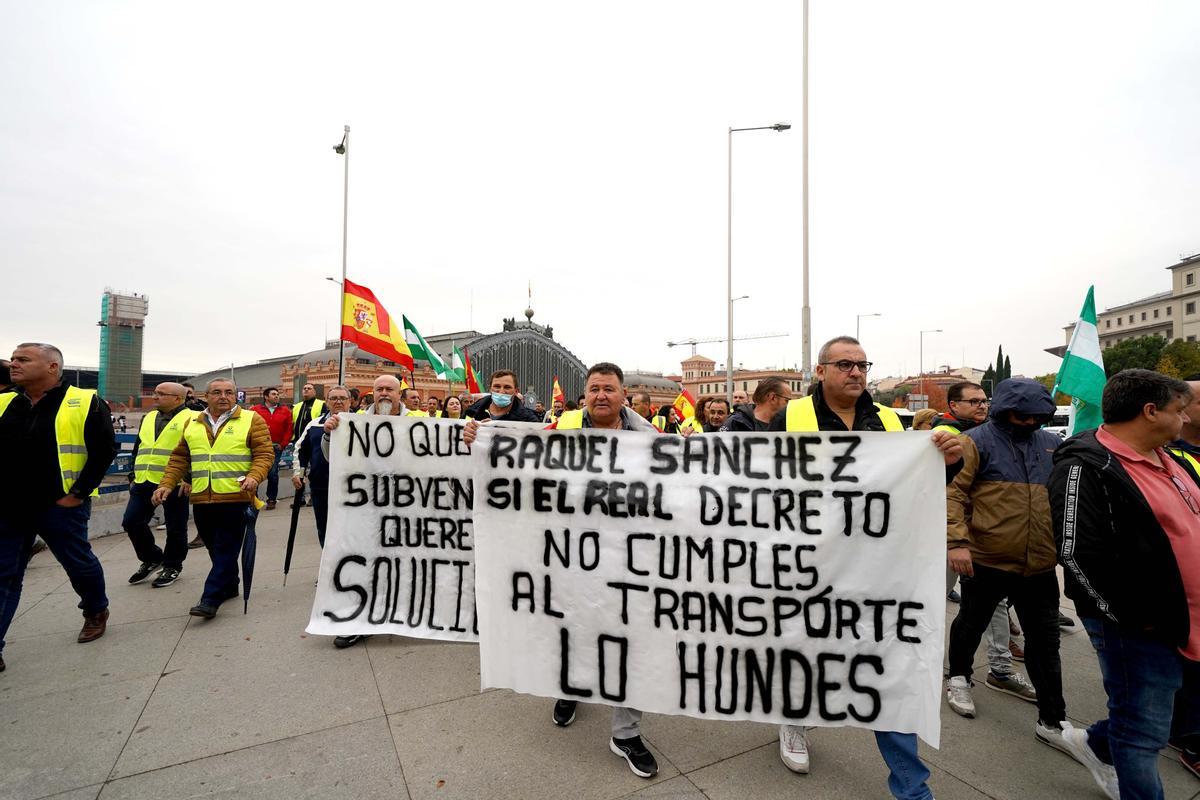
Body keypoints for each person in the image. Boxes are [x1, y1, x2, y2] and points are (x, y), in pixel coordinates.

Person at [765, 336, 964, 800]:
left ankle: (912, 789)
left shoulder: (891, 421)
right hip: (809, 564)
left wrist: (947, 463)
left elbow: (917, 486)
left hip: (878, 565)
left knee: (888, 667)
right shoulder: (789, 419)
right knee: (805, 650)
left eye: (862, 364)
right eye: (845, 364)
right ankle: (794, 719)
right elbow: (751, 483)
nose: (856, 372)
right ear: (820, 371)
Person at [463, 362, 661, 779]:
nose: (601, 395)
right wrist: (478, 442)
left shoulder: (652, 439)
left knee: (629, 640)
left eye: (609, 388)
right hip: (569, 554)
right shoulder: (561, 425)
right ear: (584, 394)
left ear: (623, 395)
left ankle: (626, 733)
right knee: (571, 629)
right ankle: (571, 688)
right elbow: (517, 462)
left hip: (630, 560)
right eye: (594, 389)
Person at [1050, 369, 1200, 800]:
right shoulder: (1084, 465)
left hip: (1183, 619)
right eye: (1179, 411)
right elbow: (1077, 554)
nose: (1185, 420)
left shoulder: (1168, 458)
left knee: (1150, 711)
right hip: (1140, 626)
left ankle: (1094, 743)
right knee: (1142, 736)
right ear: (1150, 411)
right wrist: (1132, 620)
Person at [945, 379, 1062, 739]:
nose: (1028, 422)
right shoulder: (975, 442)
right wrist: (957, 543)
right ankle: (960, 678)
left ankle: (1053, 719)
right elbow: (952, 494)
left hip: (1039, 563)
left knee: (1045, 640)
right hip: (986, 558)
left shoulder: (1051, 444)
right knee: (971, 622)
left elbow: (1061, 498)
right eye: (1020, 415)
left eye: (1035, 417)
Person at [0, 343, 118, 671]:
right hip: (9, 507)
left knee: (77, 563)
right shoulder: (4, 402)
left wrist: (77, 494)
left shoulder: (84, 401)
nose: (14, 364)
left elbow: (103, 451)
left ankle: (96, 609)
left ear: (52, 367)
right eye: (14, 358)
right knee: (4, 573)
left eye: (24, 359)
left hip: (60, 505)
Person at [153, 378, 274, 619]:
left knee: (225, 548)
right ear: (205, 396)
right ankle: (229, 585)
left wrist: (255, 476)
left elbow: (264, 454)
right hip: (202, 499)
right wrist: (166, 484)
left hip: (236, 497)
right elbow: (179, 458)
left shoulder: (251, 419)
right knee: (213, 547)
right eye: (217, 392)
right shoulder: (193, 422)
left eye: (229, 392)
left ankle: (210, 598)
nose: (224, 396)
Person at [321, 374, 408, 648]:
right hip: (365, 508)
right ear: (372, 393)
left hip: (407, 507)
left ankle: (403, 611)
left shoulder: (417, 422)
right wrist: (329, 435)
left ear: (399, 394)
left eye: (390, 389)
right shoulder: (352, 422)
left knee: (401, 562)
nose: (384, 393)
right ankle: (360, 619)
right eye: (379, 389)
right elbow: (330, 457)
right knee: (363, 563)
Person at [123, 382, 195, 589]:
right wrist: (132, 474)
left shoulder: (192, 418)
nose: (155, 397)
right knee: (131, 521)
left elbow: (196, 450)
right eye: (155, 393)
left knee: (175, 527)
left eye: (161, 394)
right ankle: (153, 557)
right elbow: (139, 447)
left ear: (178, 399)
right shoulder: (149, 417)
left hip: (174, 482)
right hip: (144, 479)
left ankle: (173, 565)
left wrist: (188, 477)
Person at [294, 385, 351, 549]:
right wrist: (299, 473)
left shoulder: (362, 423)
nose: (338, 402)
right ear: (327, 402)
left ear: (350, 402)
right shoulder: (314, 425)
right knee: (325, 529)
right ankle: (328, 571)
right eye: (334, 398)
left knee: (351, 531)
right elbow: (300, 449)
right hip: (322, 486)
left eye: (342, 398)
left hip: (353, 488)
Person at [251, 387, 292, 510]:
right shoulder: (255, 410)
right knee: (256, 473)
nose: (277, 396)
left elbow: (289, 429)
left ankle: (271, 499)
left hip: (275, 447)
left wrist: (283, 444)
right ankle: (254, 499)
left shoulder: (285, 411)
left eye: (277, 394)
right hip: (258, 447)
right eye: (273, 394)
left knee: (273, 474)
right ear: (266, 397)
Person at [464, 371, 542, 423]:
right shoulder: (471, 412)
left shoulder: (529, 420)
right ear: (490, 389)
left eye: (507, 387)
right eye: (497, 386)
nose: (501, 391)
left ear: (516, 391)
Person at [722, 376, 791, 433]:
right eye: (787, 400)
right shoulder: (736, 423)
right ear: (772, 397)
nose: (789, 405)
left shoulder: (787, 424)